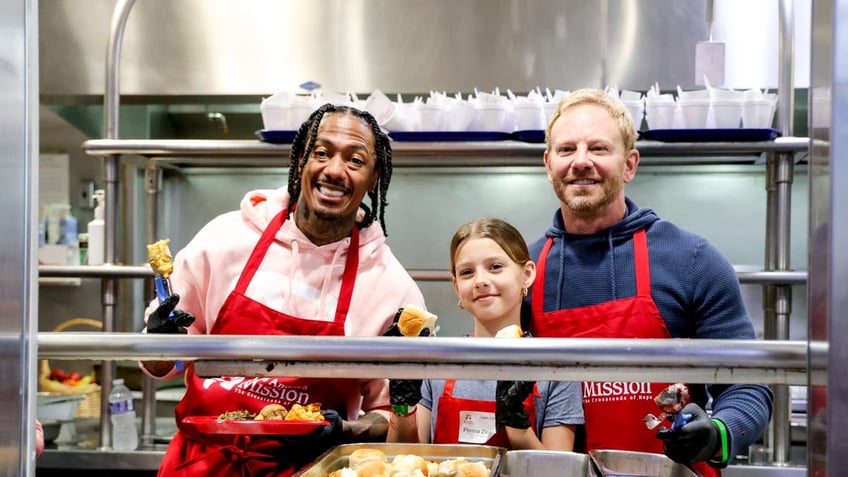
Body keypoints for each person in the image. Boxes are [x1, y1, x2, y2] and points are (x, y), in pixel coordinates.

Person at [141, 103, 427, 477]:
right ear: (300, 162)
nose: (334, 170)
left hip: (310, 470)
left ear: (374, 178)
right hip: (200, 464)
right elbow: (161, 364)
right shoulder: (225, 238)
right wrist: (158, 341)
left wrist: (343, 431)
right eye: (321, 153)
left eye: (355, 161)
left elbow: (393, 416)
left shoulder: (391, 288)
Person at [528, 88, 774, 474]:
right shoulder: (523, 271)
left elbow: (749, 386)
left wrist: (718, 432)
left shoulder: (692, 259)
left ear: (629, 164)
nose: (580, 162)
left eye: (598, 148)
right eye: (566, 149)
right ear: (548, 164)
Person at [387, 217, 583, 450]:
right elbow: (402, 460)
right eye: (467, 272)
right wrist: (402, 405)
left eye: (495, 267)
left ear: (527, 274)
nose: (480, 281)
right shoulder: (436, 361)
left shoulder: (556, 371)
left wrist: (514, 419)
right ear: (457, 287)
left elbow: (557, 471)